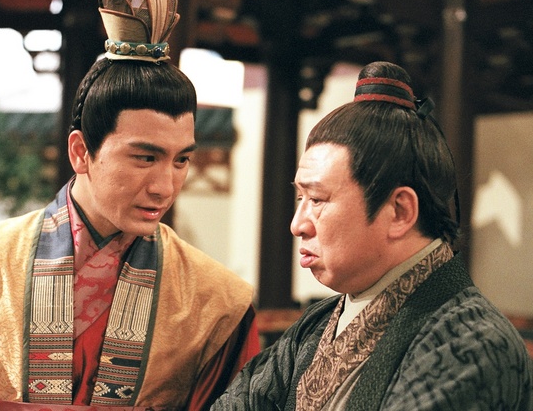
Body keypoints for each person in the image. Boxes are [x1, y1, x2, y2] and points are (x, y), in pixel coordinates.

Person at [0, 0, 260, 409]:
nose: (165, 186)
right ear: (81, 151)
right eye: (145, 157)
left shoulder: (218, 303)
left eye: (181, 160)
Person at [212, 61, 533, 410]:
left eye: (317, 200)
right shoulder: (315, 326)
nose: (297, 224)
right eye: (300, 198)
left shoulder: (472, 344)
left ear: (399, 211)